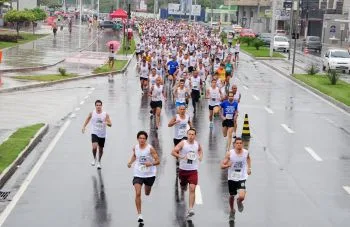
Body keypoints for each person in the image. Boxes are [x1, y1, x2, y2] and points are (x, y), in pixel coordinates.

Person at [127, 131, 160, 223]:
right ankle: (139, 215)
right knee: (138, 193)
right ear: (137, 139)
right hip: (138, 173)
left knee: (147, 193)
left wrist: (151, 163)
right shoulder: (135, 147)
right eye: (140, 138)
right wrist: (130, 162)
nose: (142, 140)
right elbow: (135, 156)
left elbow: (158, 161)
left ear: (146, 139)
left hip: (150, 174)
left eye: (143, 138)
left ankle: (147, 187)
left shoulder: (150, 149)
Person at [171, 128, 203, 220]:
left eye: (193, 134)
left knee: (192, 188)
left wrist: (200, 156)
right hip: (183, 170)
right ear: (187, 134)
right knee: (184, 187)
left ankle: (190, 209)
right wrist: (181, 156)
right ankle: (183, 187)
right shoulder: (183, 143)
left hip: (193, 170)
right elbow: (173, 152)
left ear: (195, 136)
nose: (191, 136)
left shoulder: (197, 144)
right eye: (189, 134)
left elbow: (200, 150)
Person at [221, 138, 251, 222]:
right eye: (237, 143)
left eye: (240, 143)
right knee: (232, 195)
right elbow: (222, 165)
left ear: (242, 144)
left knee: (241, 196)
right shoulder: (230, 153)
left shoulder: (245, 152)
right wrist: (227, 165)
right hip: (232, 178)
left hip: (242, 177)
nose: (239, 145)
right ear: (234, 144)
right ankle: (232, 210)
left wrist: (249, 168)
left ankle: (239, 201)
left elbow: (248, 158)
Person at [82, 100, 112, 169]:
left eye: (99, 105)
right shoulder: (92, 113)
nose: (98, 106)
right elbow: (87, 119)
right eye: (97, 105)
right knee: (94, 147)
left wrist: (106, 123)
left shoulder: (105, 114)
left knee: (101, 149)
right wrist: (84, 126)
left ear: (101, 106)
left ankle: (99, 161)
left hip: (102, 134)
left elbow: (110, 124)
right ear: (95, 106)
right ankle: (94, 158)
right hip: (94, 132)